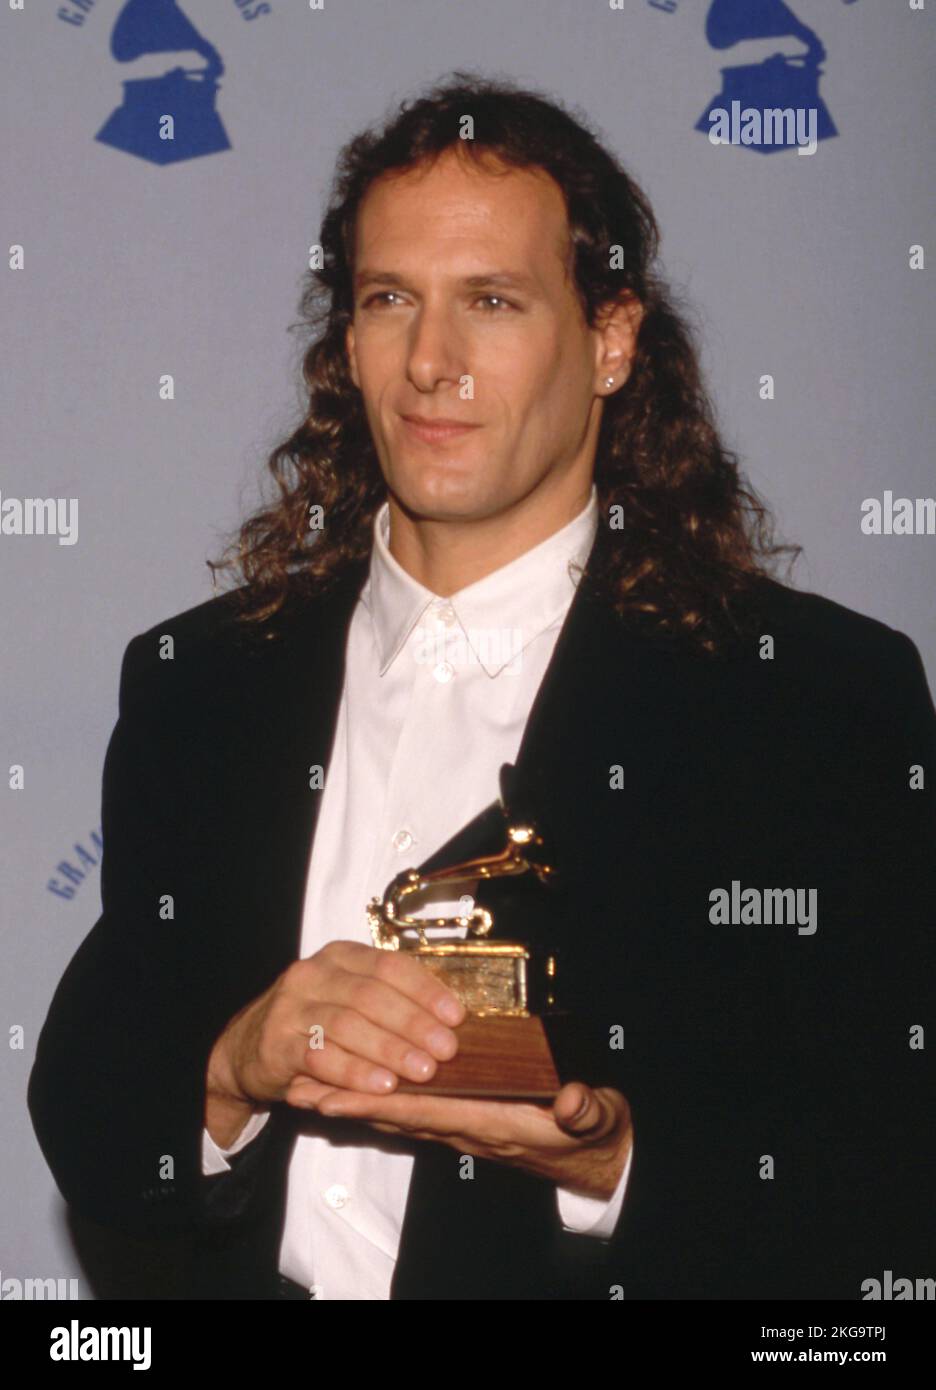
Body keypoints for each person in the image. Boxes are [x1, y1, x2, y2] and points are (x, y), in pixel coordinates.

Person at [28, 72, 935, 1301]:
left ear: (610, 340)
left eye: (492, 302)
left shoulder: (812, 702)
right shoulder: (204, 686)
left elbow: (884, 1168)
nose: (431, 361)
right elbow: (96, 1107)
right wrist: (230, 1068)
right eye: (390, 299)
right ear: (346, 340)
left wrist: (612, 1166)